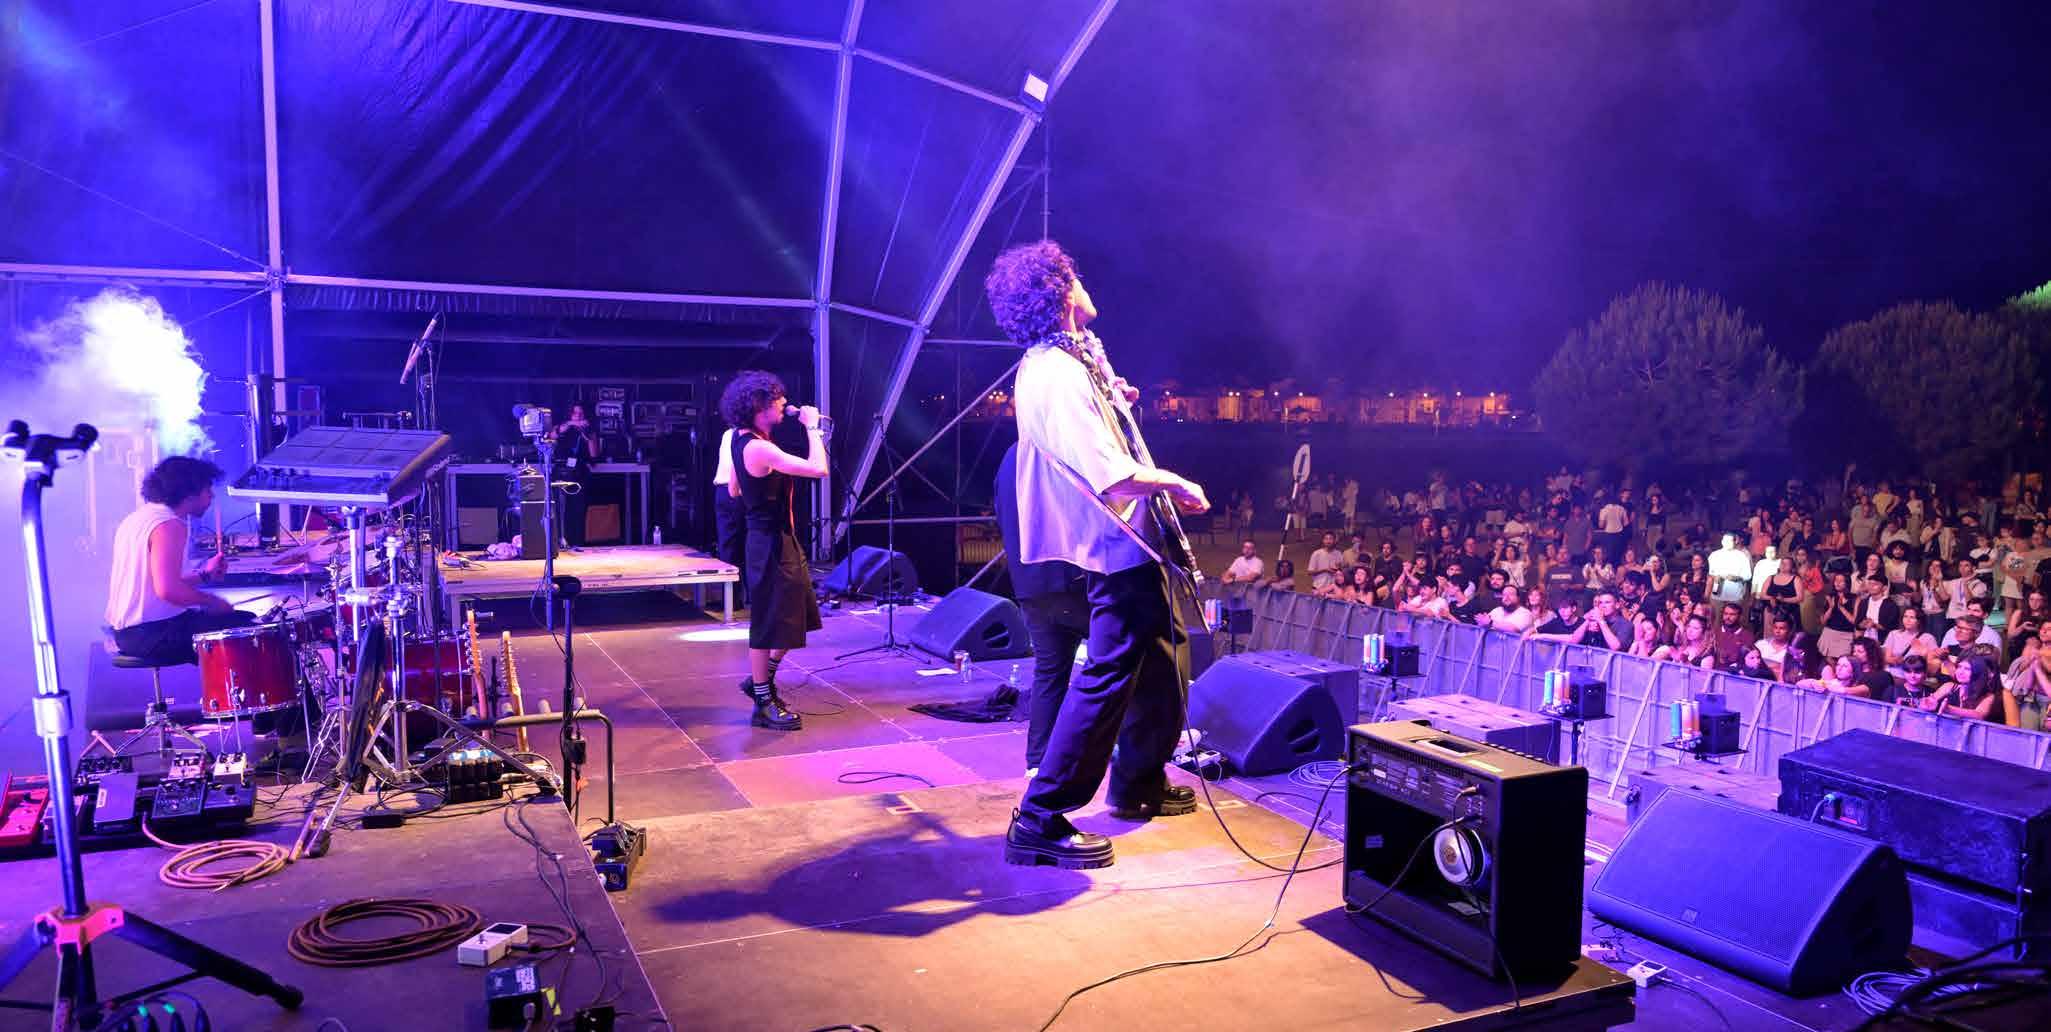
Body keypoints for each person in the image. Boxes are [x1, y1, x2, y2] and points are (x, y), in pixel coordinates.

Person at [986, 240, 1211, 870]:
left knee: (1163, 656)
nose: (1086, 285)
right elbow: (1110, 475)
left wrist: (1114, 406)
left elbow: (1089, 438)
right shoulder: (1057, 375)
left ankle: (1138, 782)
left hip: (1125, 541)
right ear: (1061, 291)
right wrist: (1177, 483)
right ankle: (1040, 815)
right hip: (1118, 542)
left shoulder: (1063, 361)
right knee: (1108, 673)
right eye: (1076, 278)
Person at [723, 371, 827, 732]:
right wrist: (812, 429)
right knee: (768, 623)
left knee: (796, 616)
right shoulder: (759, 448)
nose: (784, 403)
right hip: (769, 543)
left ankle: (760, 680)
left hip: (775, 538)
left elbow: (734, 489)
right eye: (777, 398)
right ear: (759, 405)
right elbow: (819, 469)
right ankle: (763, 703)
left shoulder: (743, 440)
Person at [995, 445, 1089, 774]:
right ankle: (1121, 752)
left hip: (1029, 585)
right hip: (1071, 580)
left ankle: (1037, 764)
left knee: (1049, 674)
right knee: (1115, 663)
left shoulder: (1010, 456)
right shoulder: (1062, 450)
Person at [105, 457, 249, 665]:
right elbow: (168, 590)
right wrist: (212, 601)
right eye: (207, 490)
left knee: (234, 623)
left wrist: (205, 575)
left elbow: (155, 585)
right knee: (246, 627)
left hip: (130, 633)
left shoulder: (138, 518)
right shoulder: (169, 525)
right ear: (189, 494)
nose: (212, 496)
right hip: (151, 634)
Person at [552, 402, 602, 547]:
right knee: (560, 510)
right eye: (575, 413)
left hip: (579, 473)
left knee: (578, 511)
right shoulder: (563, 427)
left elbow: (594, 454)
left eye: (581, 413)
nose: (578, 416)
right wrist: (571, 424)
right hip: (561, 472)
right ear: (570, 414)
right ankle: (559, 543)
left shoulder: (589, 430)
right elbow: (552, 435)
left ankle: (578, 543)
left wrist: (588, 436)